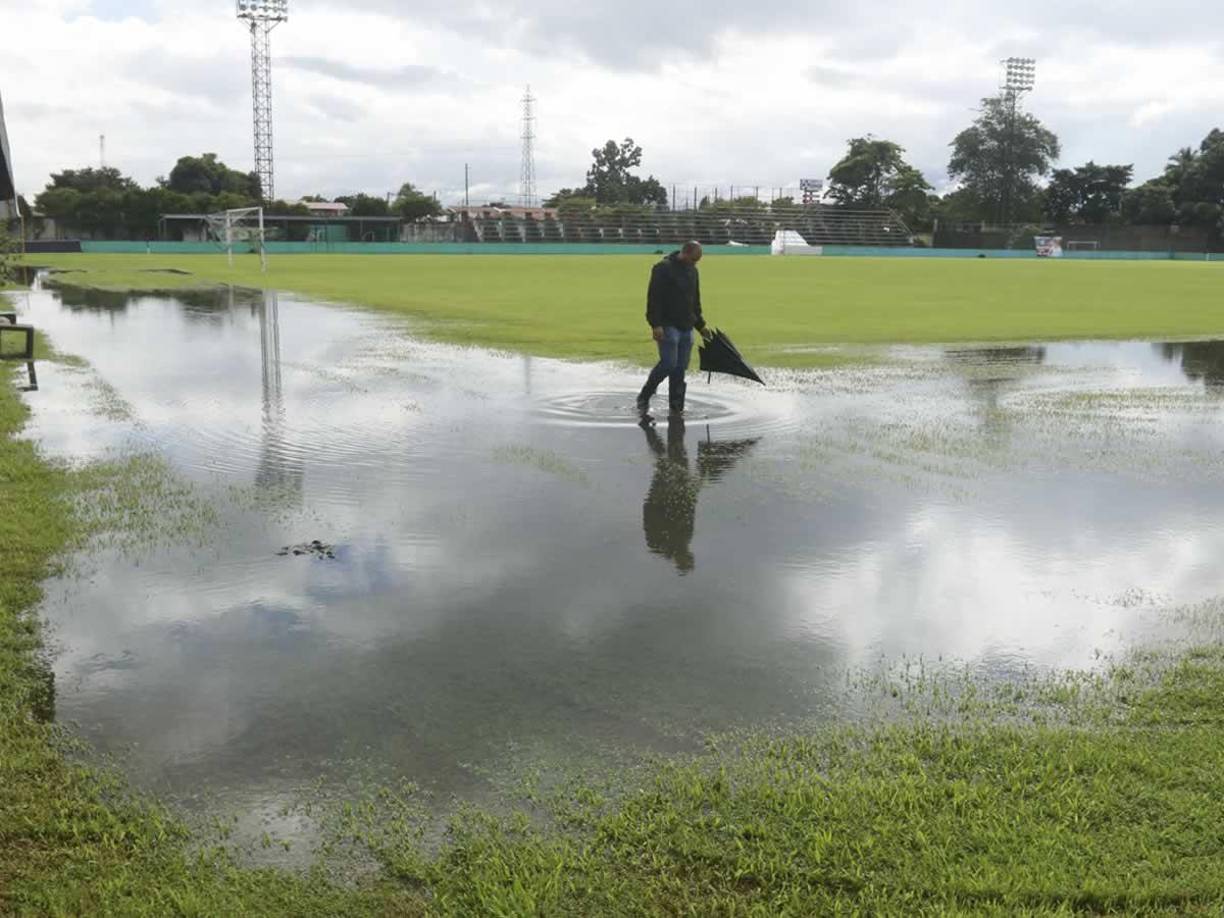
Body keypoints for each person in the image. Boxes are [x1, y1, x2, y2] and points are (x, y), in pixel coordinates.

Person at [636, 240, 712, 416]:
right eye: (693, 259)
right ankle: (645, 394)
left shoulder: (693, 271)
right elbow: (653, 298)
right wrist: (656, 324)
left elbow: (694, 301)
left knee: (680, 368)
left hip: (687, 326)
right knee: (669, 363)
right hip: (667, 325)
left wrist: (701, 326)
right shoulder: (662, 268)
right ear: (684, 253)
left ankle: (676, 405)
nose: (694, 263)